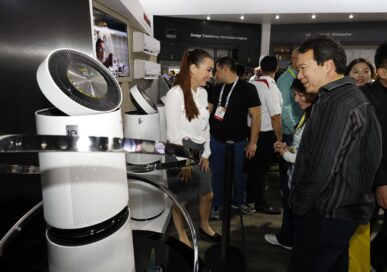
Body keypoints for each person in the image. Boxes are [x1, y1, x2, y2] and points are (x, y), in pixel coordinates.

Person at [288, 35, 382, 271]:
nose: (299, 75)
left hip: (325, 213)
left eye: (303, 68)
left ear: (327, 65)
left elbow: (321, 167)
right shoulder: (342, 97)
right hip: (338, 211)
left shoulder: (339, 102)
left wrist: (298, 204)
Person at [165, 49, 220, 247]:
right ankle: (181, 235)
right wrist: (185, 161)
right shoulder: (175, 94)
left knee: (208, 194)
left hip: (199, 151)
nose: (211, 75)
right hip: (181, 152)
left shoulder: (203, 93)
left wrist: (206, 153)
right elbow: (172, 134)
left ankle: (204, 226)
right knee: (183, 199)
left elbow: (206, 125)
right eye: (208, 69)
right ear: (193, 68)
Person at [264, 78, 317, 249]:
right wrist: (289, 148)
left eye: (299, 95)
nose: (295, 99)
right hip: (296, 179)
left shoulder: (317, 119)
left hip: (303, 181)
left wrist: (286, 154)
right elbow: (304, 148)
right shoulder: (309, 114)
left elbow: (310, 158)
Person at [208, 57, 261, 218]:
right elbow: (207, 112)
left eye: (216, 70)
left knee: (240, 173)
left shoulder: (248, 88)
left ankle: (238, 201)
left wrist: (253, 143)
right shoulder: (216, 89)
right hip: (216, 140)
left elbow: (256, 116)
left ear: (225, 69)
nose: (215, 74)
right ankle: (217, 204)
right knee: (217, 173)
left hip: (239, 142)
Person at [361, 42, 387, 272]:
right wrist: (381, 182)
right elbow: (371, 144)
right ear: (382, 72)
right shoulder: (366, 98)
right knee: (361, 226)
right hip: (372, 180)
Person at [247, 55, 283, 214]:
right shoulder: (271, 87)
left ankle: (249, 198)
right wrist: (279, 138)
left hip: (249, 132)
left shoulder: (252, 83)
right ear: (277, 68)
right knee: (261, 171)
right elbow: (275, 116)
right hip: (264, 134)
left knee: (252, 169)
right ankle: (260, 203)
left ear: (260, 68)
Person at [275, 47, 304, 224]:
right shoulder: (286, 79)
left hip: (297, 130)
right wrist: (295, 128)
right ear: (294, 59)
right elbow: (284, 108)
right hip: (291, 131)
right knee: (288, 173)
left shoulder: (298, 78)